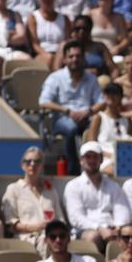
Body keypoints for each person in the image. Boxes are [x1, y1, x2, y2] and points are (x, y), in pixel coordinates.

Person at [41, 40, 105, 170]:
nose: (75, 59)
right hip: (62, 118)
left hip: (86, 116)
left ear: (83, 59)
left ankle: (98, 165)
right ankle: (73, 168)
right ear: (64, 59)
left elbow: (102, 101)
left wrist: (88, 111)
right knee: (71, 127)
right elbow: (43, 101)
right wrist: (67, 110)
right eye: (71, 56)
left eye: (78, 56)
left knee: (101, 123)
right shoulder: (55, 78)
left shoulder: (91, 79)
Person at [64, 142, 131, 249]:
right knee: (93, 237)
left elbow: (122, 211)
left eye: (95, 157)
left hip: (113, 230)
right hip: (85, 231)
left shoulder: (113, 186)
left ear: (101, 160)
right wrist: (100, 228)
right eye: (88, 157)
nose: (91, 160)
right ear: (81, 160)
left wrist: (117, 227)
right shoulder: (73, 186)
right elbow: (76, 218)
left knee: (129, 237)